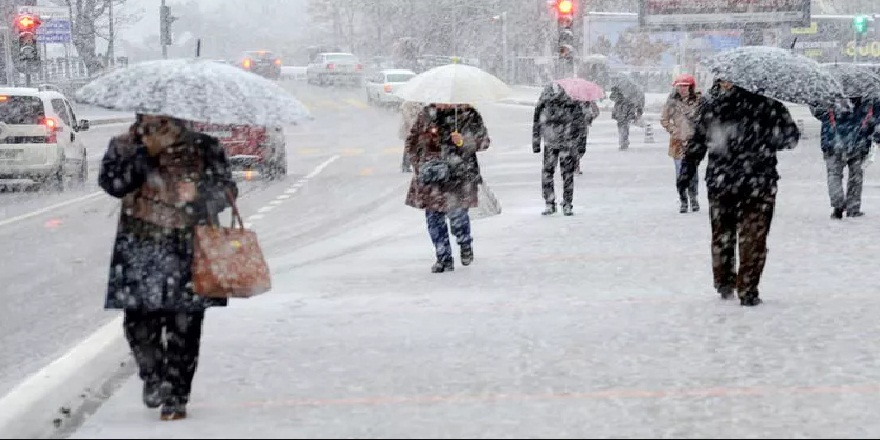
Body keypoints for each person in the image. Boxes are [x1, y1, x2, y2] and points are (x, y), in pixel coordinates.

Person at [98, 114, 238, 420]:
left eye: (163, 114)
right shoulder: (125, 145)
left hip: (189, 248)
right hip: (139, 247)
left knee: (185, 327)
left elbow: (227, 189)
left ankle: (177, 395)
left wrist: (198, 198)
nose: (157, 118)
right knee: (138, 323)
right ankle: (153, 376)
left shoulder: (203, 146)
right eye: (150, 113)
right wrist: (144, 155)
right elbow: (113, 184)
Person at [680, 79, 799, 306]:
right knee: (754, 237)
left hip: (721, 181)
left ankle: (724, 281)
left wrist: (687, 170)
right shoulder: (771, 107)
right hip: (759, 182)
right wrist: (767, 137)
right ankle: (748, 289)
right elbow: (790, 139)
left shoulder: (716, 107)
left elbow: (698, 140)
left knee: (722, 233)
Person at [404, 103, 490, 273]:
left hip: (459, 176)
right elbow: (411, 142)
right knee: (433, 218)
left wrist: (464, 142)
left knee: (458, 216)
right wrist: (420, 164)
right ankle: (443, 257)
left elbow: (484, 142)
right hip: (432, 178)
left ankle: (465, 242)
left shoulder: (468, 113)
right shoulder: (427, 114)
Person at [811, 96, 879, 219]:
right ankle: (853, 208)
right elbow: (876, 117)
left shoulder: (829, 94)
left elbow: (818, 112)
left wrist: (816, 101)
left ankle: (838, 204)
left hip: (833, 140)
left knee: (834, 175)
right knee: (856, 176)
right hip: (859, 140)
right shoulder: (868, 95)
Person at [532, 83, 587, 216]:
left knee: (547, 173)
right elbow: (581, 124)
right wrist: (581, 145)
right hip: (566, 143)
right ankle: (567, 204)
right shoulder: (571, 102)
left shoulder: (544, 101)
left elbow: (536, 123)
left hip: (551, 143)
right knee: (567, 174)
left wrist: (536, 143)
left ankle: (550, 203)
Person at [660, 73, 706, 213]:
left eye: (685, 86)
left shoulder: (699, 101)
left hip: (693, 142)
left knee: (693, 173)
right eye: (680, 86)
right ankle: (683, 199)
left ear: (691, 87)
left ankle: (694, 198)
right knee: (680, 172)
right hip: (677, 143)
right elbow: (664, 119)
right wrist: (674, 130)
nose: (682, 89)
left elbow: (705, 119)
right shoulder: (672, 102)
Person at [610, 84, 644, 151]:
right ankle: (623, 142)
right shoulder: (618, 102)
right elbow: (615, 109)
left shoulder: (626, 101)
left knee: (624, 130)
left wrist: (630, 117)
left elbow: (631, 109)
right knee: (621, 131)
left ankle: (624, 143)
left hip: (624, 118)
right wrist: (615, 115)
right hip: (620, 118)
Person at [398, 100, 425, 172]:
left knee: (415, 146)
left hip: (415, 129)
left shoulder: (421, 103)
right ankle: (406, 165)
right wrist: (413, 126)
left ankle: (411, 164)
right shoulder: (407, 104)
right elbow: (407, 118)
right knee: (409, 146)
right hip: (409, 129)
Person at [576, 100, 600, 175]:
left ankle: (575, 161)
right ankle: (576, 165)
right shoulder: (572, 101)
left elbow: (596, 112)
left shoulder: (590, 102)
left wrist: (590, 116)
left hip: (583, 128)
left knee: (582, 149)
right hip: (573, 128)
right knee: (575, 147)